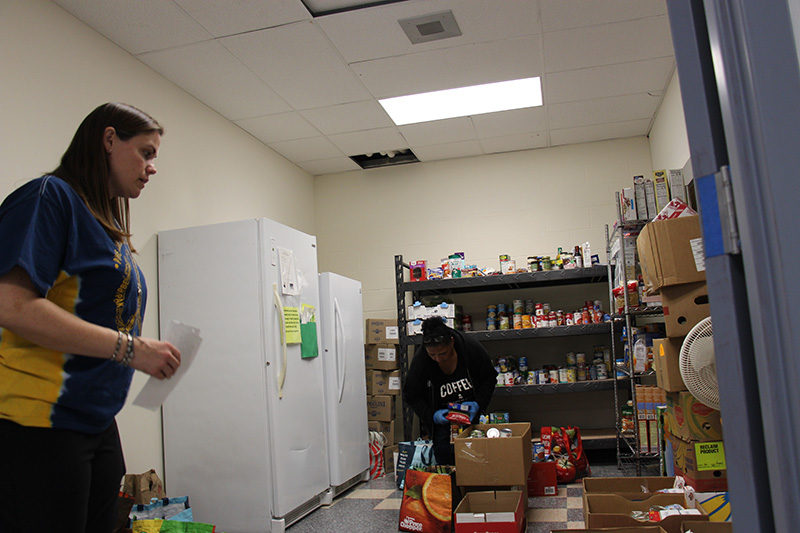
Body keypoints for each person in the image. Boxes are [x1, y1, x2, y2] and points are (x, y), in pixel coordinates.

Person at [0, 103, 182, 533]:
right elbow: (12, 304)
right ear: (108, 139)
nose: (152, 167)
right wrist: (132, 349)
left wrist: (144, 352)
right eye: (146, 152)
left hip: (96, 421)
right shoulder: (49, 197)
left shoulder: (108, 227)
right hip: (40, 422)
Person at [404, 316, 498, 465]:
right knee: (442, 452)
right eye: (432, 355)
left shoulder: (470, 348)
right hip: (442, 413)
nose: (438, 359)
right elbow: (411, 394)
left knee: (475, 452)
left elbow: (490, 377)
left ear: (452, 343)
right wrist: (432, 415)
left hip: (470, 408)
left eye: (443, 353)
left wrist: (479, 404)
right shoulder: (421, 360)